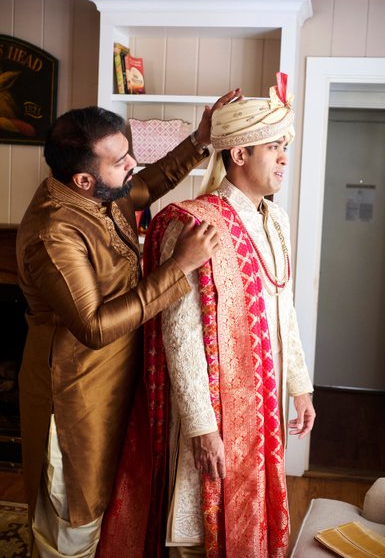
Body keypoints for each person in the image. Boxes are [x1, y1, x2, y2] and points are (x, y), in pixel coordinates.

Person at [97, 73, 315, 558]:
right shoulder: (193, 223)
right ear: (239, 155)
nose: (284, 157)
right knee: (199, 531)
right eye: (273, 146)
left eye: (285, 146)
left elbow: (285, 308)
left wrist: (299, 386)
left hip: (264, 405)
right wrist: (202, 427)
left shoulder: (274, 220)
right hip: (213, 411)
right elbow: (180, 335)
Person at [16, 90, 241, 558]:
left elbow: (141, 187)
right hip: (75, 393)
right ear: (83, 179)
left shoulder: (103, 191)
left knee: (111, 506)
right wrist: (179, 267)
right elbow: (95, 327)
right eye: (122, 160)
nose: (133, 164)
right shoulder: (52, 233)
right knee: (74, 519)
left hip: (117, 380)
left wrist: (199, 141)